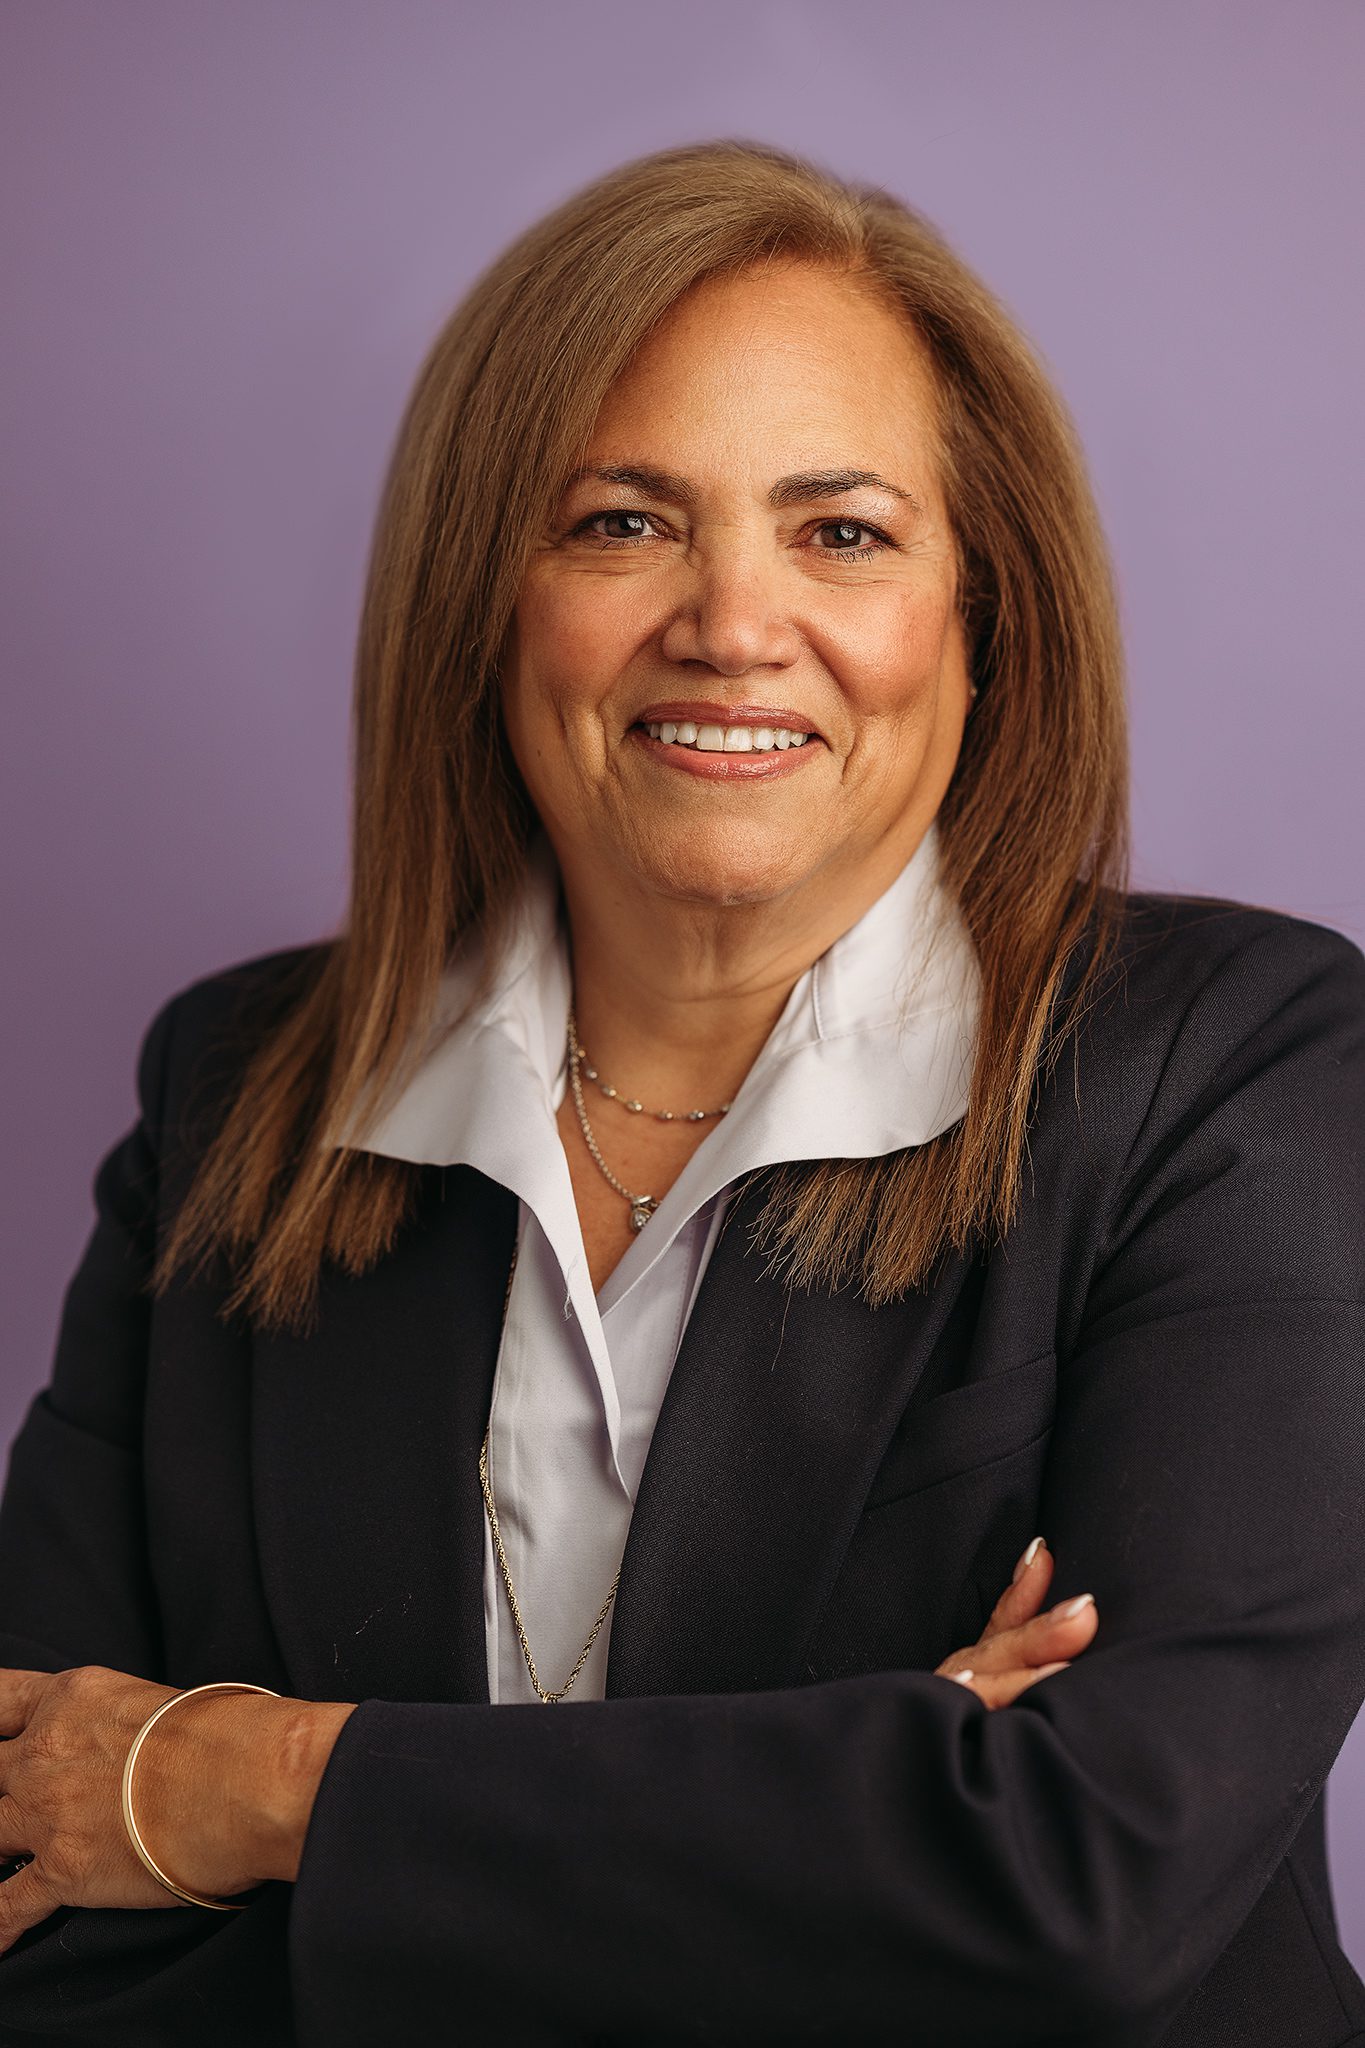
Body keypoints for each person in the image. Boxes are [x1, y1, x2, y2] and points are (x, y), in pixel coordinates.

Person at [0, 136, 1362, 2047]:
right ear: (487, 598)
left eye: (843, 532)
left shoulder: (1240, 1063)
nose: (731, 622)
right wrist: (863, 1808)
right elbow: (43, 1885)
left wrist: (263, 1790)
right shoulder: (235, 1099)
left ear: (985, 621)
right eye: (622, 522)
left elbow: (1082, 1884)